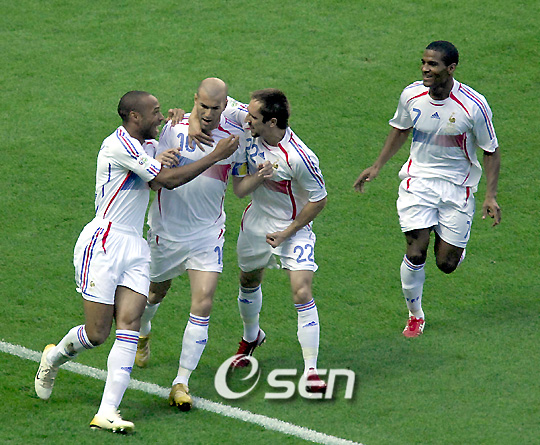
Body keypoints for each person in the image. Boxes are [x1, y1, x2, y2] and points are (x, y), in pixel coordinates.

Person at [34, 90, 239, 433]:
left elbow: (162, 164)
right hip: (104, 242)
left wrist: (182, 126)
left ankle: (107, 411)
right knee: (97, 334)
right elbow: (164, 181)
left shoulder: (148, 146)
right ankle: (53, 358)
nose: (161, 116)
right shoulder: (118, 145)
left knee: (130, 323)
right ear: (134, 117)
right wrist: (216, 156)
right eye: (155, 112)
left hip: (135, 247)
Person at [134, 78, 273, 411]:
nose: (209, 114)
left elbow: (238, 188)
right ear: (194, 99)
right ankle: (143, 330)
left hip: (207, 234)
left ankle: (181, 382)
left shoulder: (236, 137)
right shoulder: (171, 129)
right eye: (204, 106)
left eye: (216, 108)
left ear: (225, 105)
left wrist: (259, 176)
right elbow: (152, 182)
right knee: (154, 293)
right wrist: (162, 159)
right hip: (167, 232)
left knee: (204, 302)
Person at [353, 41, 501, 337]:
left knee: (446, 263)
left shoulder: (473, 105)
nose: (425, 69)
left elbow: (490, 150)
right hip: (417, 182)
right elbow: (401, 128)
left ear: (451, 68)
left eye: (433, 64)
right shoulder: (412, 95)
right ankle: (415, 315)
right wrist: (377, 165)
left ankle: (453, 245)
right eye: (423, 62)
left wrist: (490, 195)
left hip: (457, 187)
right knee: (415, 251)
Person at [200, 89, 328, 392]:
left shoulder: (300, 157)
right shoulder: (248, 123)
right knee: (248, 281)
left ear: (271, 122)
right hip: (256, 222)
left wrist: (287, 232)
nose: (246, 120)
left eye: (253, 117)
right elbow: (217, 101)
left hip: (292, 228)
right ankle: (251, 337)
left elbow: (319, 200)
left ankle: (311, 371)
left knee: (301, 291)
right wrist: (185, 118)